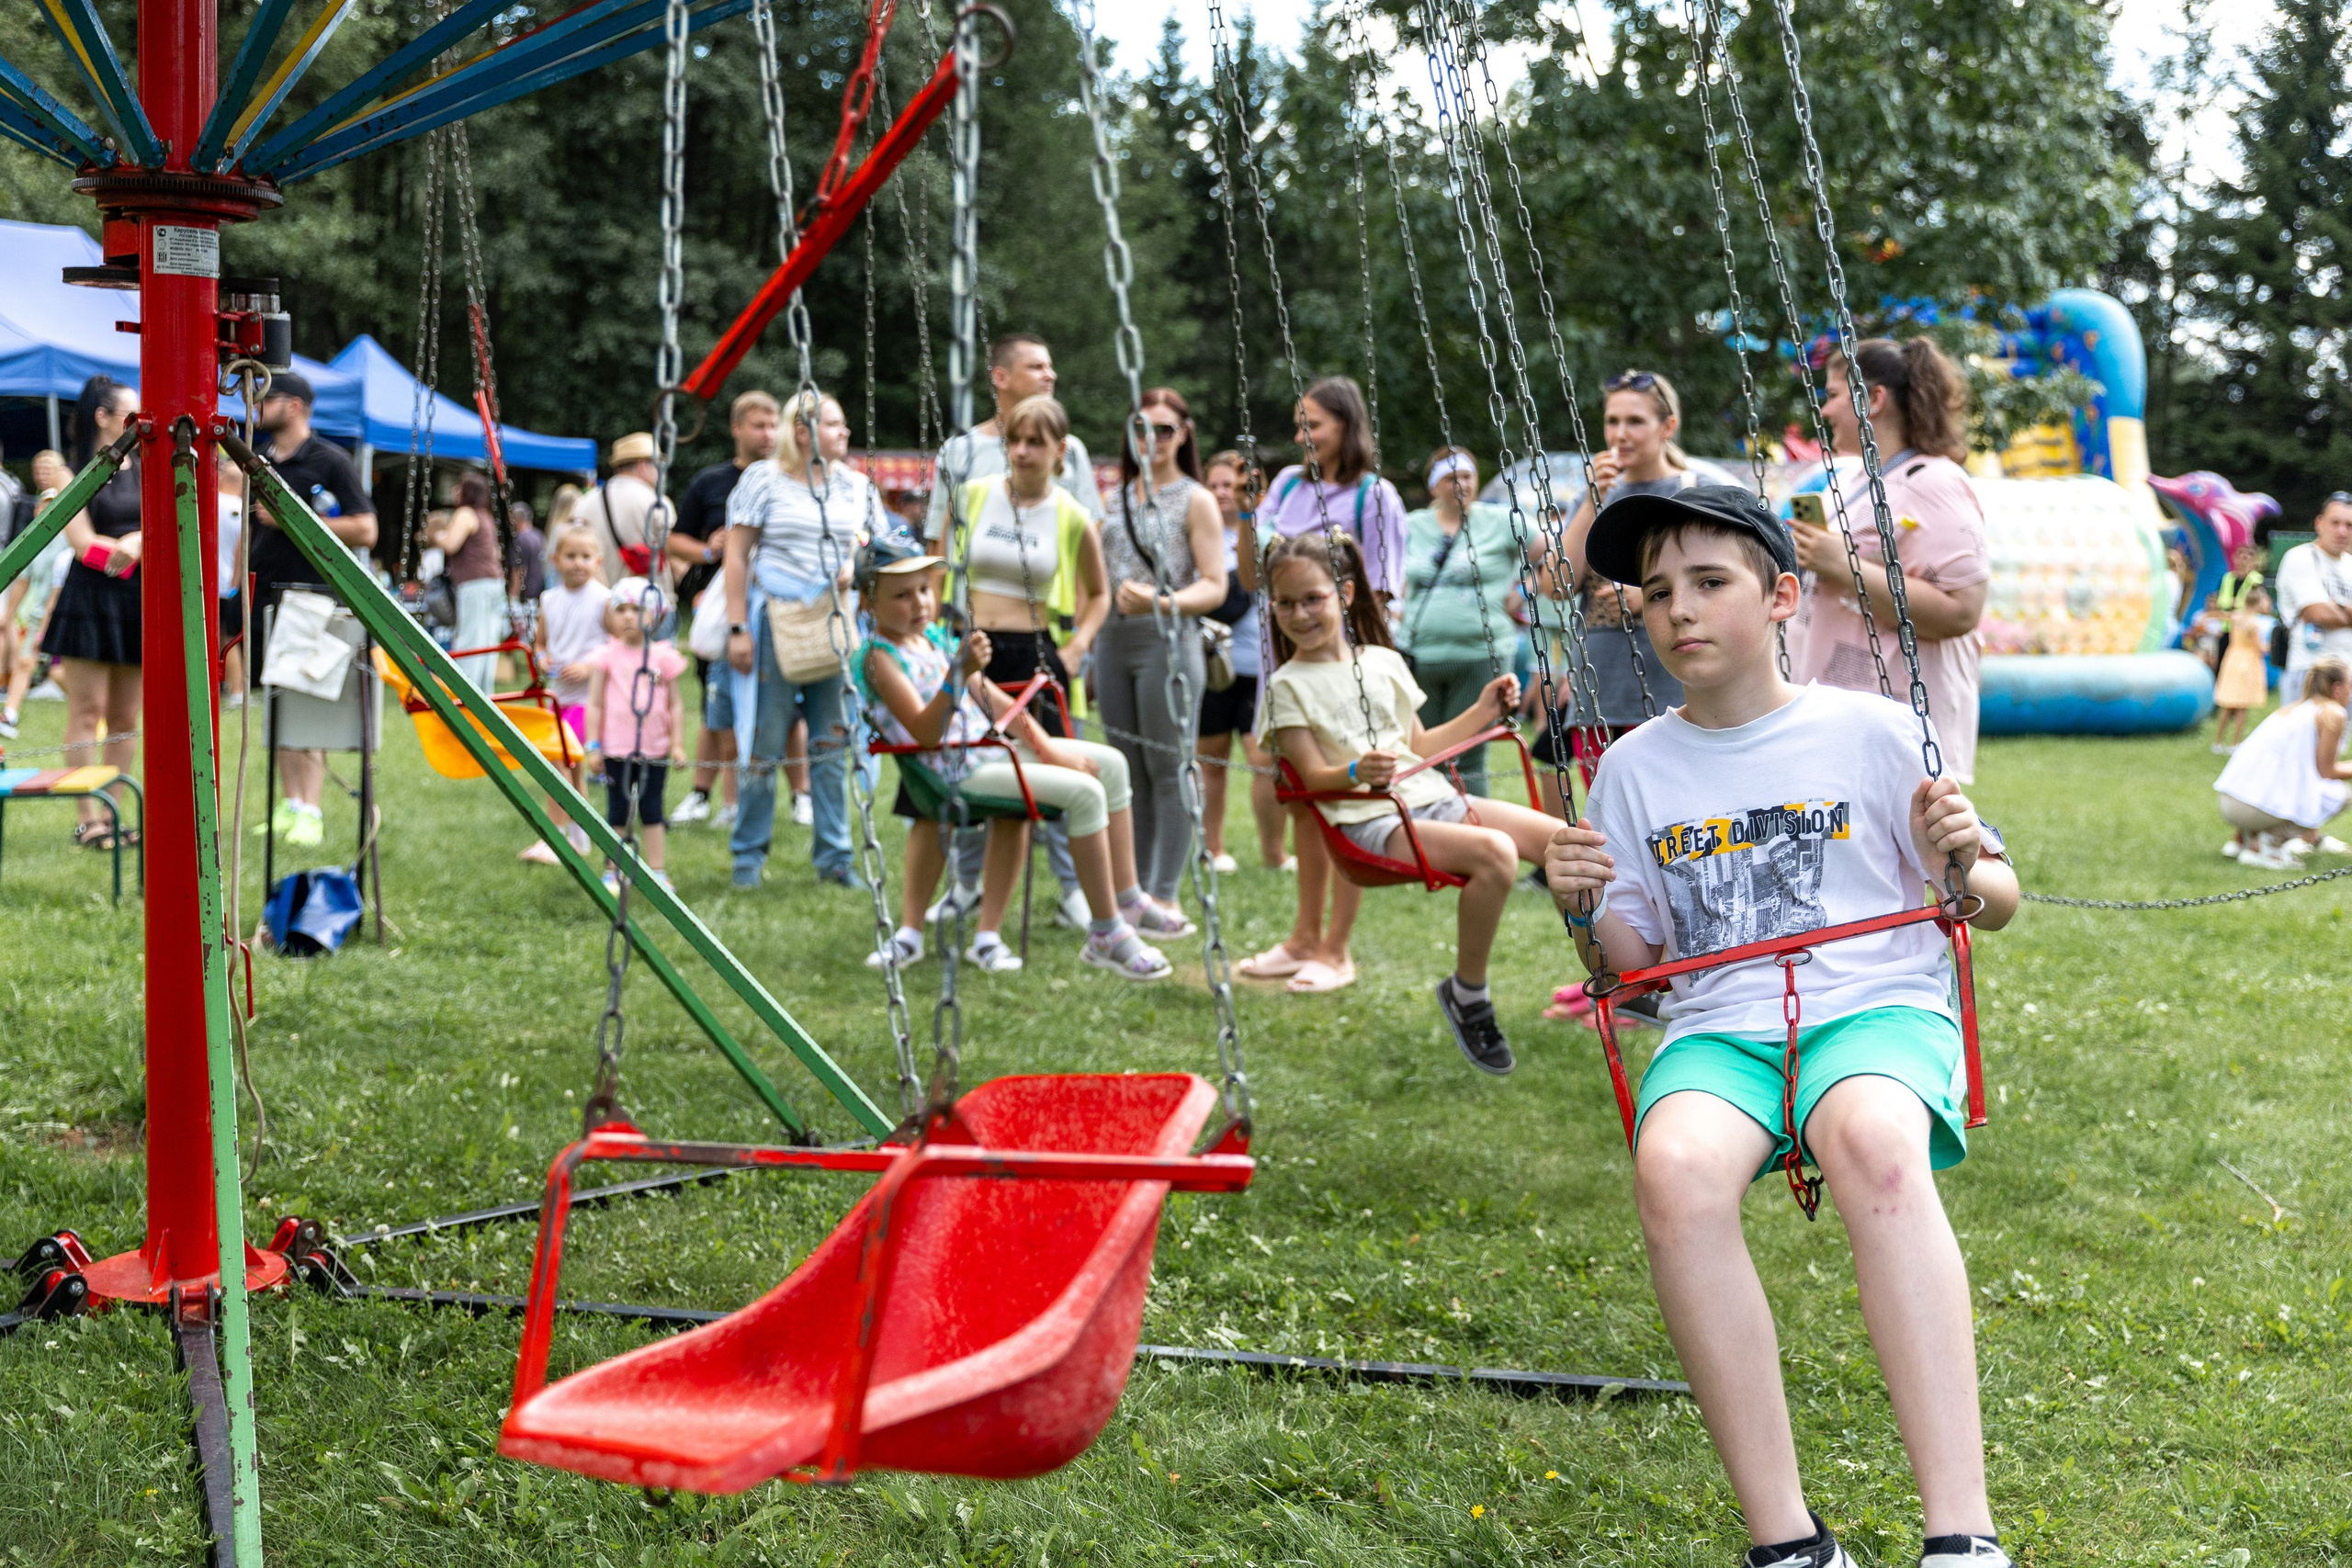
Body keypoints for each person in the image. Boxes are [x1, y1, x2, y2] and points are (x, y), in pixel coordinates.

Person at [1543, 483, 2021, 1568]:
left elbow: (1993, 900)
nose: (1680, 611)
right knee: (1672, 1173)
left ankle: (1959, 1531)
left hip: (1872, 1006)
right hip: (1723, 1030)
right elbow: (1644, 972)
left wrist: (1958, 859)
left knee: (1873, 1142)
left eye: (1710, 583)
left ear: (1783, 597)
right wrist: (1581, 904)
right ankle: (1789, 1543)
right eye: (1657, 593)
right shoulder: (1630, 769)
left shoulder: (1874, 729)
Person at [1261, 529, 1555, 1063]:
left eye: (1312, 599)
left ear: (1344, 595)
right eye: (1285, 603)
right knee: (1497, 853)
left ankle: (1618, 971)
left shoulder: (1381, 661)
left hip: (1427, 795)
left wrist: (1484, 710)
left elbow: (1419, 746)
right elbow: (1309, 777)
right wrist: (1355, 769)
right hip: (1371, 823)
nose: (1299, 614)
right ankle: (1469, 993)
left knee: (1563, 841)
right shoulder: (1287, 685)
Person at [854, 536, 1170, 980]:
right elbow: (926, 733)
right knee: (1084, 794)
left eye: (924, 589)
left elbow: (996, 700)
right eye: (902, 596)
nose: (920, 603)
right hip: (954, 772)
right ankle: (1106, 932)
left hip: (987, 754)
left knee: (1112, 765)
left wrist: (1048, 747)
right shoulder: (877, 658)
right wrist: (957, 675)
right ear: (869, 605)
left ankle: (1129, 895)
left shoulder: (934, 640)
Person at [1233, 375, 1408, 993]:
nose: (1304, 436)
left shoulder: (1375, 496)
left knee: (1345, 796)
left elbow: (1380, 594)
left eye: (1317, 424)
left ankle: (1336, 947)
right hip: (1287, 662)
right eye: (1298, 424)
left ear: (1347, 426)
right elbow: (1255, 576)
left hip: (1346, 668)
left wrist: (1351, 668)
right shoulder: (1284, 485)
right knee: (1306, 796)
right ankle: (1304, 935)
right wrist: (1245, 509)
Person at [935, 392, 1109, 931]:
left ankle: (1074, 891)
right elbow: (940, 566)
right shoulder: (971, 495)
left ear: (1061, 451)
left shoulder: (1073, 514)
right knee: (968, 769)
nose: (1022, 452)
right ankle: (964, 885)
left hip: (1034, 655)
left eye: (1036, 442)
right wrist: (942, 639)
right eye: (1015, 440)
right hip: (973, 647)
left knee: (1045, 770)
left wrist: (1078, 647)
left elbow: (1099, 593)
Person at [1782, 339, 1990, 785]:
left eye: (1833, 395)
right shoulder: (1852, 477)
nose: (1824, 411)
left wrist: (1844, 566)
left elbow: (1961, 611)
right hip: (1838, 718)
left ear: (1872, 399)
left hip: (1898, 734)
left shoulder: (1935, 483)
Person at [720, 390, 869, 889]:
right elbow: (737, 556)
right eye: (833, 423)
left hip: (831, 623)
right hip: (775, 623)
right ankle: (748, 855)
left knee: (831, 740)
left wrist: (852, 564)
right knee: (765, 739)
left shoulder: (854, 486)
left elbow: (862, 546)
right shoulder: (764, 480)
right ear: (802, 431)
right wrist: (738, 627)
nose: (844, 432)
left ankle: (835, 858)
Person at [1098, 387, 1228, 931]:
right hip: (1112, 637)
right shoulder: (1116, 495)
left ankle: (1165, 892)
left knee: (1169, 766)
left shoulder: (1195, 498)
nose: (1151, 441)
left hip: (1168, 638)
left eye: (1165, 430)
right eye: (1141, 430)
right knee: (1125, 769)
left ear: (1185, 434)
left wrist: (1161, 601)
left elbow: (1216, 586)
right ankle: (1133, 895)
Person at [1546, 370, 1695, 813]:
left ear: (1667, 427)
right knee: (1611, 820)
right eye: (1612, 422)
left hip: (1672, 682)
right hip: (1600, 685)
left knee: (1674, 816)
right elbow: (1557, 585)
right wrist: (1594, 497)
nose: (1620, 434)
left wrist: (1650, 594)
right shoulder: (1593, 494)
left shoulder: (1692, 491)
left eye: (1635, 421)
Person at [250, 369, 379, 849]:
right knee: (279, 702)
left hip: (313, 594)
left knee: (307, 699)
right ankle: (289, 804)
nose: (257, 407)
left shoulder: (330, 460)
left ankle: (311, 808)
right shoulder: (259, 458)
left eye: (268, 398)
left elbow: (367, 530)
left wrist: (293, 517)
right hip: (266, 595)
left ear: (296, 405)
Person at [41, 377, 144, 848]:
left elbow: (164, 525)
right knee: (88, 710)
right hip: (89, 597)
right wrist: (128, 548)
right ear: (103, 418)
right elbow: (81, 543)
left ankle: (115, 811)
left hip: (136, 599)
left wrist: (140, 542)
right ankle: (89, 819)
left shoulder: (150, 467)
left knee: (126, 717)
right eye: (131, 414)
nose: (141, 422)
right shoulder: (73, 472)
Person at [672, 390, 782, 829]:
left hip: (775, 611)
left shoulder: (787, 481)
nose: (768, 434)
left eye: (773, 425)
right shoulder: (711, 482)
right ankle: (704, 794)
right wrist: (708, 549)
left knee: (780, 712)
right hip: (721, 613)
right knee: (717, 708)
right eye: (758, 425)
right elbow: (676, 540)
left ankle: (785, 799)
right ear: (737, 428)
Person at [1401, 446, 1524, 798]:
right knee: (1420, 753)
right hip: (1421, 656)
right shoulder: (1412, 525)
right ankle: (1431, 834)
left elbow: (1550, 551)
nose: (1461, 484)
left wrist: (1525, 590)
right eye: (1451, 477)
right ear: (1434, 485)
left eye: (1468, 476)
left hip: (1480, 656)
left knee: (1466, 755)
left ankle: (1473, 837)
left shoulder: (1500, 520)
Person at [923, 333, 1106, 543]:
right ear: (1001, 377)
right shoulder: (959, 450)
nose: (1050, 375)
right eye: (1036, 367)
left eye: (1049, 366)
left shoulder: (1070, 450)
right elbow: (938, 539)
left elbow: (1092, 528)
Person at [1198, 448, 1286, 873]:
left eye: (1232, 485)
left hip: (1258, 665)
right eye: (1215, 484)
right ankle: (1213, 849)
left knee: (1264, 761)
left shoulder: (1270, 536)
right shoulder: (1197, 537)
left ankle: (1275, 852)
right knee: (1211, 759)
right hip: (1212, 664)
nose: (1223, 493)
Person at [582, 577, 687, 893]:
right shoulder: (606, 657)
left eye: (637, 609)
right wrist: (593, 746)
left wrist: (678, 744)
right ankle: (612, 869)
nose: (628, 616)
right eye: (622, 609)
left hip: (655, 751)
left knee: (653, 809)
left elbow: (677, 705)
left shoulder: (664, 658)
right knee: (617, 809)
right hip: (616, 750)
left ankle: (657, 870)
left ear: (654, 615)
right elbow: (595, 704)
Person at [524, 526, 609, 865]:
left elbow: (615, 645)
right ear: (556, 560)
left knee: (558, 763)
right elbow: (541, 641)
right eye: (571, 556)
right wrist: (541, 657)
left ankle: (553, 838)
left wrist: (589, 666)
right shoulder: (549, 599)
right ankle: (579, 836)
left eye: (586, 557)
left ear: (598, 561)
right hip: (557, 697)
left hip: (587, 701)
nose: (578, 563)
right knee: (570, 769)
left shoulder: (604, 599)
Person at [2215, 657, 2350, 869]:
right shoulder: (2333, 713)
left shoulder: (2294, 709)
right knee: (2341, 794)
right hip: (2252, 808)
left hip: (2229, 800)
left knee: (2297, 782)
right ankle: (2270, 847)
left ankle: (2243, 839)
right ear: (2337, 688)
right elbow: (2327, 771)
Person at [4, 451, 74, 739]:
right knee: (24, 663)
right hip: (38, 615)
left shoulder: (69, 541)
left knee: (58, 673)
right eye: (42, 504)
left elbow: (59, 589)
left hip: (61, 616)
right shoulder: (36, 541)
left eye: (51, 505)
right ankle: (9, 714)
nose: (44, 510)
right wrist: (7, 615)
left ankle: (92, 709)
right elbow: (23, 579)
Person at [2274, 491, 2352, 698]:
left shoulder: (2350, 564)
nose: (2342, 531)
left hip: (2347, 674)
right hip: (2309, 670)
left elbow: (2325, 610)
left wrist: (2336, 605)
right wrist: (2347, 608)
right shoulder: (2300, 557)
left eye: (2349, 525)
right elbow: (2317, 614)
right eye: (2335, 522)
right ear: (2319, 523)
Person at [575, 433, 668, 588]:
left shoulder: (583, 502)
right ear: (642, 465)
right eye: (658, 465)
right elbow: (674, 552)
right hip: (643, 604)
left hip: (595, 600)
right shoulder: (657, 502)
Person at [442, 470, 506, 690]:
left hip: (474, 583)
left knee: (470, 640)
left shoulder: (465, 514)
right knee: (488, 641)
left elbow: (451, 544)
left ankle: (466, 692)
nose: (454, 491)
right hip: (494, 583)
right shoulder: (485, 516)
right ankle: (484, 693)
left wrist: (435, 535)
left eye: (458, 487)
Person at [2210, 583, 2271, 751]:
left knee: (2228, 703)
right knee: (2242, 705)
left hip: (2233, 658)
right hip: (2248, 662)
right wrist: (2272, 646)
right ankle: (2235, 743)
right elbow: (2258, 647)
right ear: (2258, 603)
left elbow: (2221, 615)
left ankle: (2218, 741)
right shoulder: (2254, 623)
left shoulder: (2236, 616)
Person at [216, 447, 248, 704]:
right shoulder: (244, 512)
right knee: (230, 638)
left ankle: (232, 688)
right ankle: (236, 689)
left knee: (216, 637)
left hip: (211, 582)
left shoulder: (213, 504)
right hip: (231, 584)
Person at [509, 500, 546, 605]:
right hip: (538, 591)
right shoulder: (539, 535)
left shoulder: (520, 539)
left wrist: (513, 597)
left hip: (525, 596)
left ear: (517, 519)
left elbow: (520, 570)